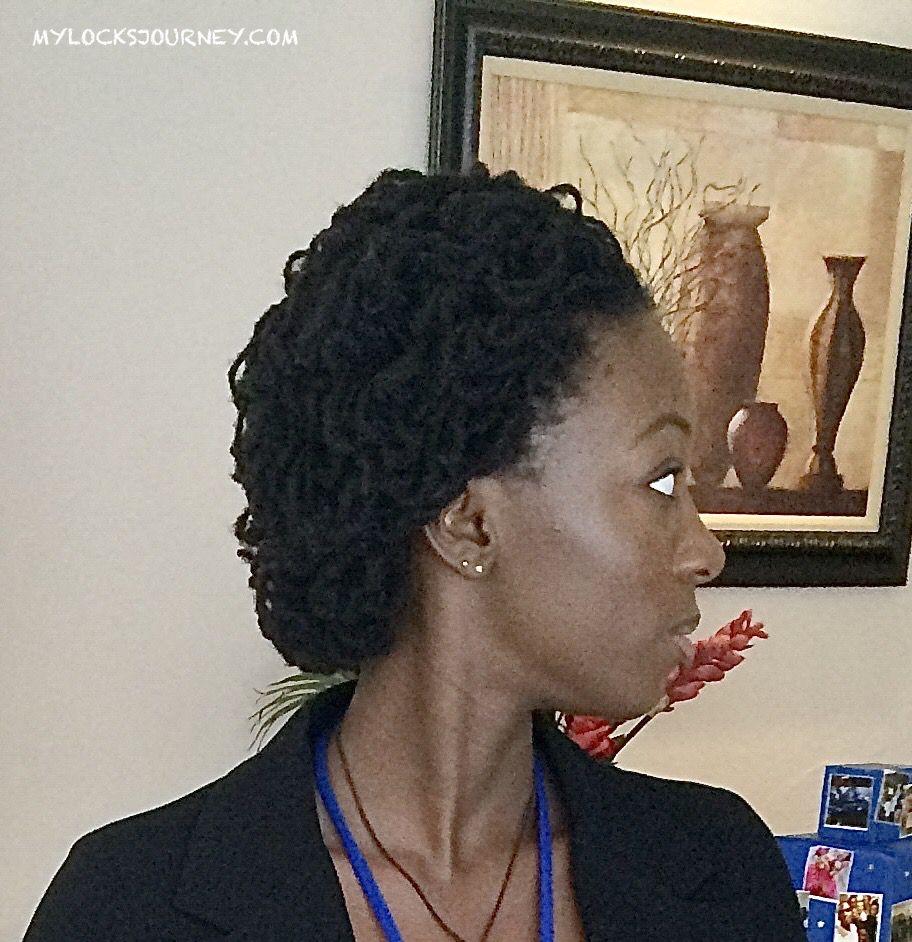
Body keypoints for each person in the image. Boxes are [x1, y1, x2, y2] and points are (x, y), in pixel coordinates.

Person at [22, 163, 807, 941]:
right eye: (662, 481)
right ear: (470, 525)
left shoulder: (718, 871)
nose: (705, 552)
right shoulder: (129, 910)